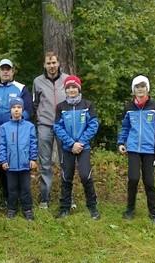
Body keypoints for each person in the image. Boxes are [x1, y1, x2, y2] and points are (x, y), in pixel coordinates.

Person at [117, 75, 155, 225]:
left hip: (150, 150)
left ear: (147, 88)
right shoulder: (128, 107)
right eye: (137, 87)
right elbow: (125, 127)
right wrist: (121, 142)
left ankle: (153, 213)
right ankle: (130, 210)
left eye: (143, 86)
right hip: (133, 148)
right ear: (133, 90)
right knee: (133, 179)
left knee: (149, 181)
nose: (140, 89)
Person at [53, 75, 100, 220]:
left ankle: (92, 208)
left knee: (86, 176)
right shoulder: (61, 107)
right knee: (66, 177)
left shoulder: (87, 105)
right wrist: (71, 143)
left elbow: (93, 125)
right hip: (68, 148)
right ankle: (64, 208)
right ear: (65, 90)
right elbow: (57, 127)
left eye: (74, 87)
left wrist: (80, 142)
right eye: (68, 88)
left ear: (79, 89)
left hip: (83, 147)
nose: (71, 90)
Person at [0, 58, 33, 207]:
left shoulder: (21, 88)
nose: (5, 71)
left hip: (16, 133)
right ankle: (6, 196)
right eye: (3, 69)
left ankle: (21, 197)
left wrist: (14, 124)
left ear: (13, 71)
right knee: (1, 163)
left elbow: (28, 110)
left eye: (8, 69)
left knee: (17, 163)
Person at [33, 51, 69, 209]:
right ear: (44, 65)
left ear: (58, 63)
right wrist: (38, 120)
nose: (52, 66)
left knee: (65, 162)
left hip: (64, 126)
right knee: (45, 163)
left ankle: (67, 197)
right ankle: (45, 198)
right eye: (48, 63)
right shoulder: (37, 81)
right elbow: (35, 104)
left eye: (54, 62)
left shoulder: (67, 79)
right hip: (45, 125)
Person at [0, 97, 38, 220]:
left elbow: (33, 143)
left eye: (19, 107)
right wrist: (3, 160)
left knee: (25, 188)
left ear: (23, 110)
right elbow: (2, 145)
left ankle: (27, 209)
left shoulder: (29, 126)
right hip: (11, 164)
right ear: (10, 110)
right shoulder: (4, 127)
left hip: (25, 164)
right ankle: (11, 209)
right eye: (14, 107)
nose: (16, 110)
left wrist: (33, 158)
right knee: (12, 188)